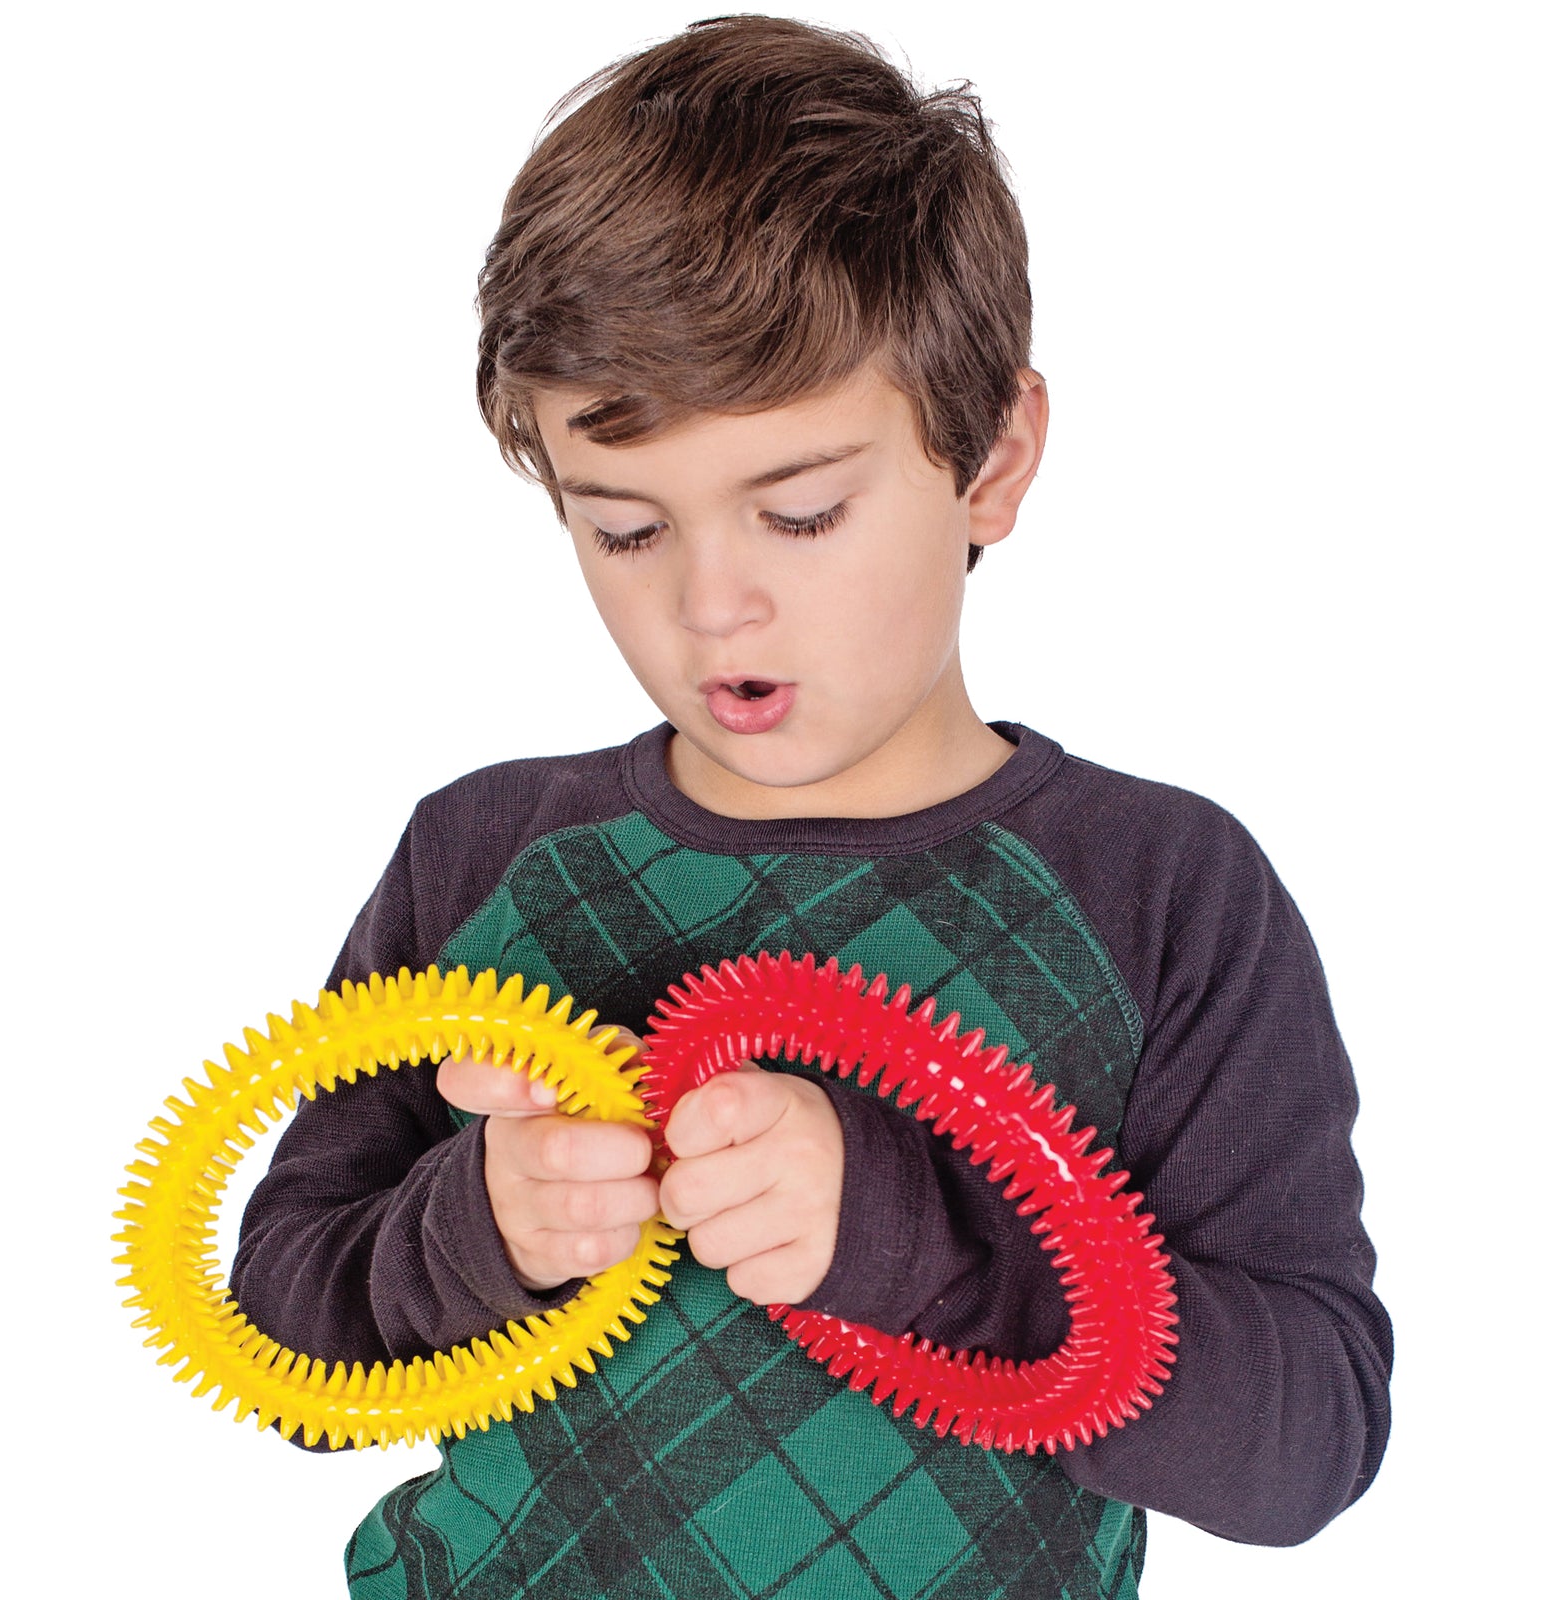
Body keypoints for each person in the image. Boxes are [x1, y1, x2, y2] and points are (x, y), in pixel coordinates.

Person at [231, 16, 1391, 1599]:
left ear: (990, 460)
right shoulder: (484, 856)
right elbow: (284, 1341)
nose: (718, 606)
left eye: (800, 512)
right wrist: (477, 1226)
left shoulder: (1162, 888)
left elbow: (1307, 1443)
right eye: (627, 530)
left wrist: (915, 1244)